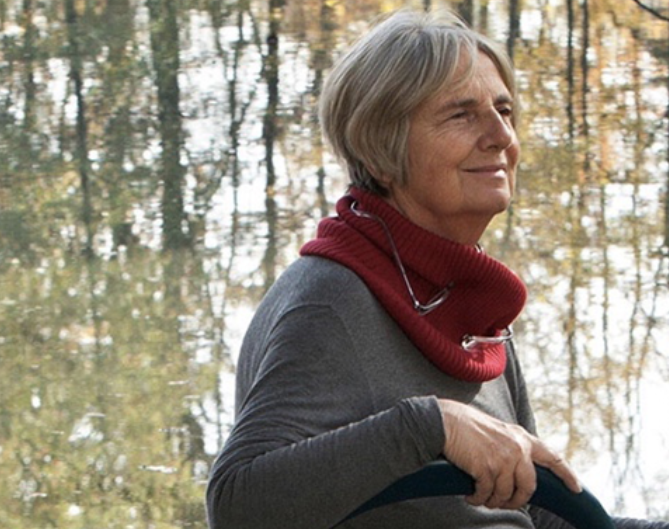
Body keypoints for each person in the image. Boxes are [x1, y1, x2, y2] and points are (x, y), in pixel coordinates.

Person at [206, 7, 668, 529]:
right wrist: (432, 425)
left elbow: (537, 512)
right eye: (461, 115)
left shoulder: (471, 300)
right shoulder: (331, 298)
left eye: (504, 110)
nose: (500, 135)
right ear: (380, 151)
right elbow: (236, 506)